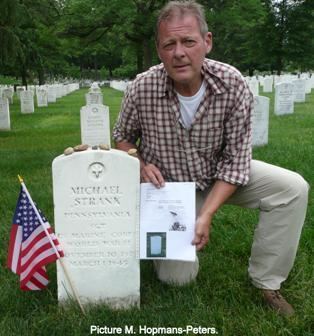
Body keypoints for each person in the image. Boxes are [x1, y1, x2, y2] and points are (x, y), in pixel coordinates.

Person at [113, 0, 309, 317]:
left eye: (188, 41)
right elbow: (122, 136)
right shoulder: (142, 87)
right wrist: (138, 163)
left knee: (292, 188)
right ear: (159, 49)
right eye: (169, 44)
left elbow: (235, 162)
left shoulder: (232, 85)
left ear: (207, 42)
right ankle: (165, 237)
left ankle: (267, 281)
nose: (179, 52)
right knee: (177, 279)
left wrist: (207, 214)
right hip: (169, 191)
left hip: (218, 177)